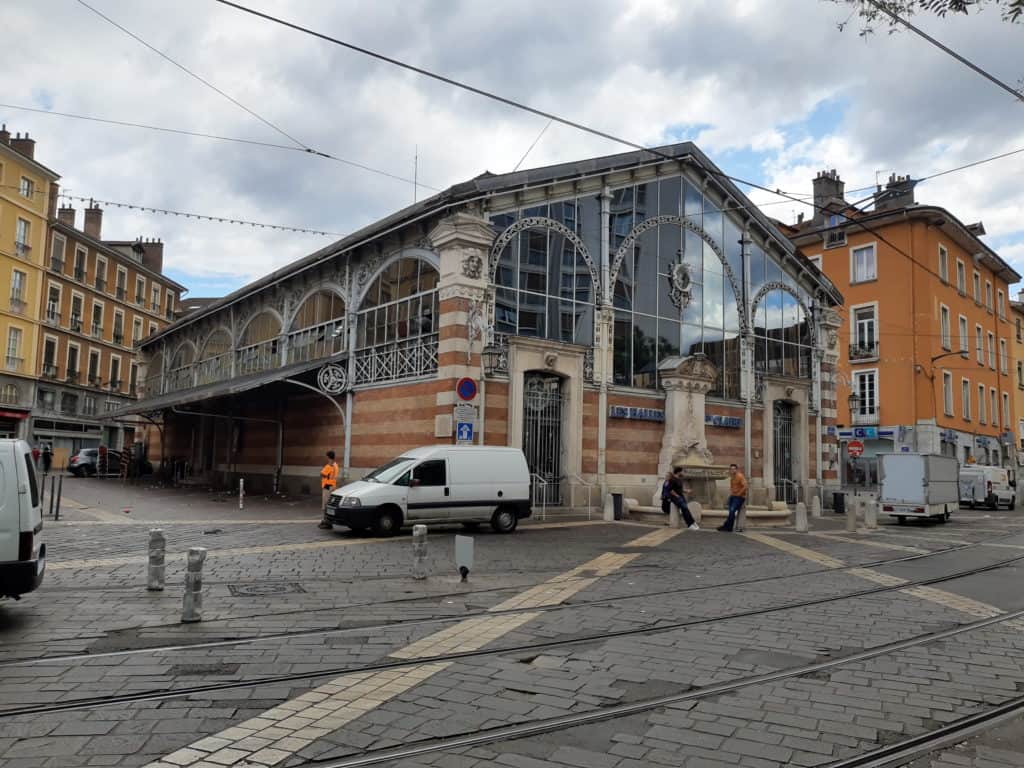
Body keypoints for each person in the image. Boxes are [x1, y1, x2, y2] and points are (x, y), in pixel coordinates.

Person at [720, 463, 748, 532]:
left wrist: (739, 493)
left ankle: (727, 527)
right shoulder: (732, 478)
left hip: (739, 497)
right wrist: (730, 496)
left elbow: (745, 486)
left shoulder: (740, 476)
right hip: (733, 496)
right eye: (731, 469)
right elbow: (733, 488)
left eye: (733, 469)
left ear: (736, 470)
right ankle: (727, 526)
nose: (732, 470)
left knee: (732, 510)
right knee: (730, 511)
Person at [318, 450, 340, 529]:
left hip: (327, 486)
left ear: (328, 456)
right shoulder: (336, 465)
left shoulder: (329, 466)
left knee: (325, 505)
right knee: (330, 504)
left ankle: (326, 522)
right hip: (333, 486)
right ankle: (328, 521)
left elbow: (322, 474)